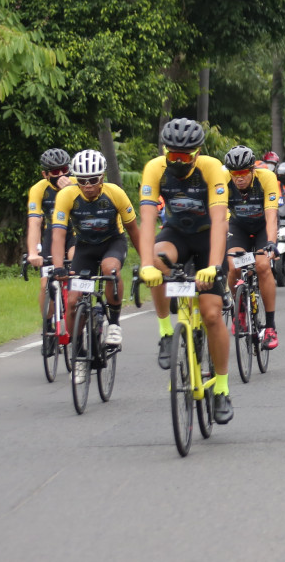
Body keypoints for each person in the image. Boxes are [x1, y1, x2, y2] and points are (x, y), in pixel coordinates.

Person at [138, 119, 235, 424]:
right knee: (157, 260)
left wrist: (214, 267)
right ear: (164, 151)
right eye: (173, 155)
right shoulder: (154, 169)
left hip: (207, 238)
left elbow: (219, 222)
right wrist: (145, 264)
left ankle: (222, 388)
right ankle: (166, 332)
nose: (178, 162)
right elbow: (147, 219)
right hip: (177, 233)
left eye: (185, 156)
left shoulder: (211, 169)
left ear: (197, 153)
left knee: (211, 314)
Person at [49, 149, 140, 351]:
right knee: (73, 301)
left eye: (93, 179)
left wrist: (147, 263)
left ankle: (114, 324)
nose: (88, 185)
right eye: (82, 181)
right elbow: (58, 235)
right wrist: (58, 267)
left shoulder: (115, 193)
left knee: (110, 269)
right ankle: (78, 350)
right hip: (85, 247)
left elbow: (134, 230)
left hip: (112, 242)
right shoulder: (66, 195)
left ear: (102, 177)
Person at [222, 145, 280, 349]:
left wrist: (271, 243)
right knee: (233, 266)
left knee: (263, 266)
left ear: (253, 170)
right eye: (235, 173)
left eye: (244, 173)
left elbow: (271, 215)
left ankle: (270, 327)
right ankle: (238, 310)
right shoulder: (223, 181)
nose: (239, 178)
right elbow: (220, 216)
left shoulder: (266, 178)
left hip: (263, 226)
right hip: (238, 227)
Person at [25, 147, 73, 326]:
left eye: (64, 169)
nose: (61, 175)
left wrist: (71, 190)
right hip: (53, 234)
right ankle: (48, 325)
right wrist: (33, 252)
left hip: (76, 233)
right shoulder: (39, 189)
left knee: (75, 271)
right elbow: (35, 222)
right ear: (45, 174)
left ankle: (78, 314)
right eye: (55, 171)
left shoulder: (78, 183)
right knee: (45, 284)